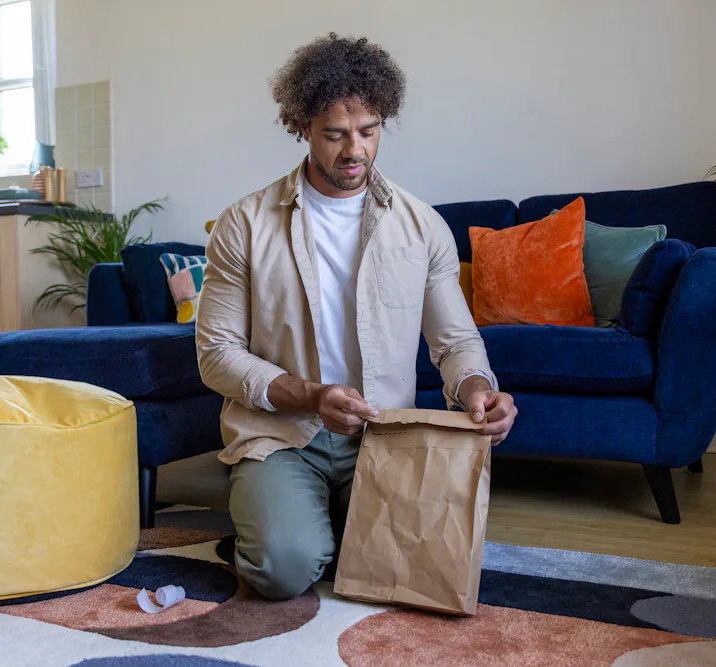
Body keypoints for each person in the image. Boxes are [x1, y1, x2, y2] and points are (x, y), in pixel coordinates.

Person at [195, 33, 517, 600]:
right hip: (282, 434)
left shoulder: (423, 227)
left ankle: (321, 526)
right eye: (335, 134)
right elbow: (217, 356)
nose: (355, 151)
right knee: (282, 571)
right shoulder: (242, 224)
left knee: (415, 568)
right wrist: (312, 395)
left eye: (368, 132)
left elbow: (455, 341)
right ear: (303, 129)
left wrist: (476, 389)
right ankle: (283, 527)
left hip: (387, 436)